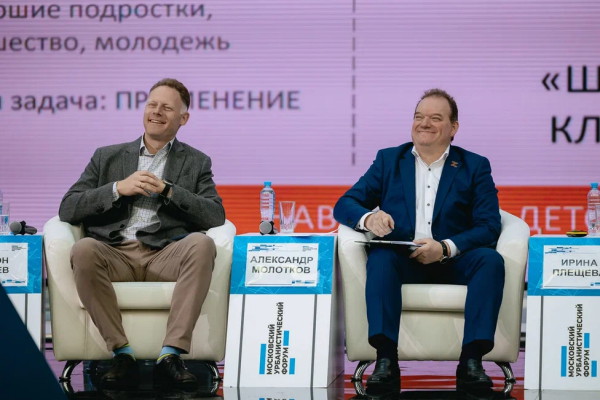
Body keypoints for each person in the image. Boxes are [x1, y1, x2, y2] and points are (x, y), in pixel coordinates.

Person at [334, 89, 504, 393]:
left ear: (453, 127)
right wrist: (369, 219)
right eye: (419, 117)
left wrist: (445, 247)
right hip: (403, 259)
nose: (424, 123)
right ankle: (386, 360)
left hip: (453, 259)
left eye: (435, 118)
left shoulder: (474, 165)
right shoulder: (389, 160)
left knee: (490, 260)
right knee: (381, 258)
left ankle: (472, 361)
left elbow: (489, 225)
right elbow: (345, 204)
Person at [59, 78, 225, 389]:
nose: (157, 112)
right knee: (83, 249)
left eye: (167, 108)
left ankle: (171, 354)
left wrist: (168, 190)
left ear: (183, 118)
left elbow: (215, 214)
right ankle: (121, 353)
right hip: (115, 252)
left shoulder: (196, 161)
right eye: (152, 105)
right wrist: (116, 189)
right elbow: (68, 208)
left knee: (202, 244)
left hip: (165, 253)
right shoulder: (107, 156)